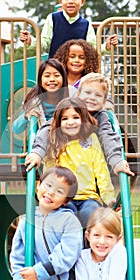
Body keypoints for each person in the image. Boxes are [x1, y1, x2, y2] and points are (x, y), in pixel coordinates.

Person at [10, 166, 83, 280]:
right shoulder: (26, 221)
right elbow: (17, 256)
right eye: (48, 185)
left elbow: (67, 254)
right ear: (38, 186)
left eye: (59, 191)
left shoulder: (69, 220)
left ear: (66, 200)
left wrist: (39, 271)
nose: (51, 193)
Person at [25, 73, 134, 178]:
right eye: (87, 92)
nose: (92, 98)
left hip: (87, 165)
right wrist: (37, 153)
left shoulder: (101, 116)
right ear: (78, 94)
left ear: (104, 101)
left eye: (98, 95)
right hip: (62, 162)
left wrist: (116, 161)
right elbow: (48, 129)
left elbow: (108, 137)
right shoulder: (69, 109)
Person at [41, 97, 116, 228]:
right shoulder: (55, 141)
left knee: (92, 214)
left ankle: (89, 246)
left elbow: (101, 169)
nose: (70, 122)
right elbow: (49, 172)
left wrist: (108, 197)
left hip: (89, 197)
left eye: (75, 117)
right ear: (59, 122)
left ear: (83, 119)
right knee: (65, 216)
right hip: (63, 197)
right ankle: (68, 245)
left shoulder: (90, 139)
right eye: (65, 119)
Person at [20, 0, 118, 58]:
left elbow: (92, 48)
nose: (70, 1)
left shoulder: (86, 24)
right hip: (56, 68)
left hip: (77, 70)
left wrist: (106, 46)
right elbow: (45, 43)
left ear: (82, 2)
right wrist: (31, 41)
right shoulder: (53, 18)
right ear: (60, 2)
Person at [12, 58, 69, 134]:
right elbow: (16, 129)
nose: (52, 79)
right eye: (47, 76)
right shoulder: (34, 102)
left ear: (63, 79)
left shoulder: (69, 100)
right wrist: (26, 116)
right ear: (40, 80)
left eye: (56, 75)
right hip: (40, 144)